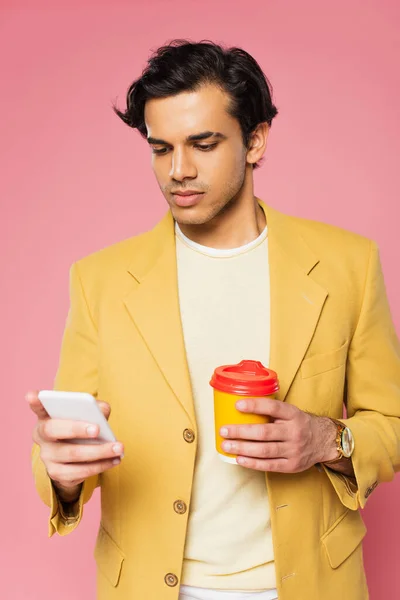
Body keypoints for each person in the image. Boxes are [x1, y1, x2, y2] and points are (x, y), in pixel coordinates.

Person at [27, 40, 400, 600]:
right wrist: (60, 471)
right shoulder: (99, 280)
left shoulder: (349, 265)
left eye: (203, 144)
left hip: (308, 585)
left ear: (255, 141)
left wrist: (329, 439)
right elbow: (72, 445)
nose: (178, 171)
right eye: (160, 149)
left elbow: (390, 423)